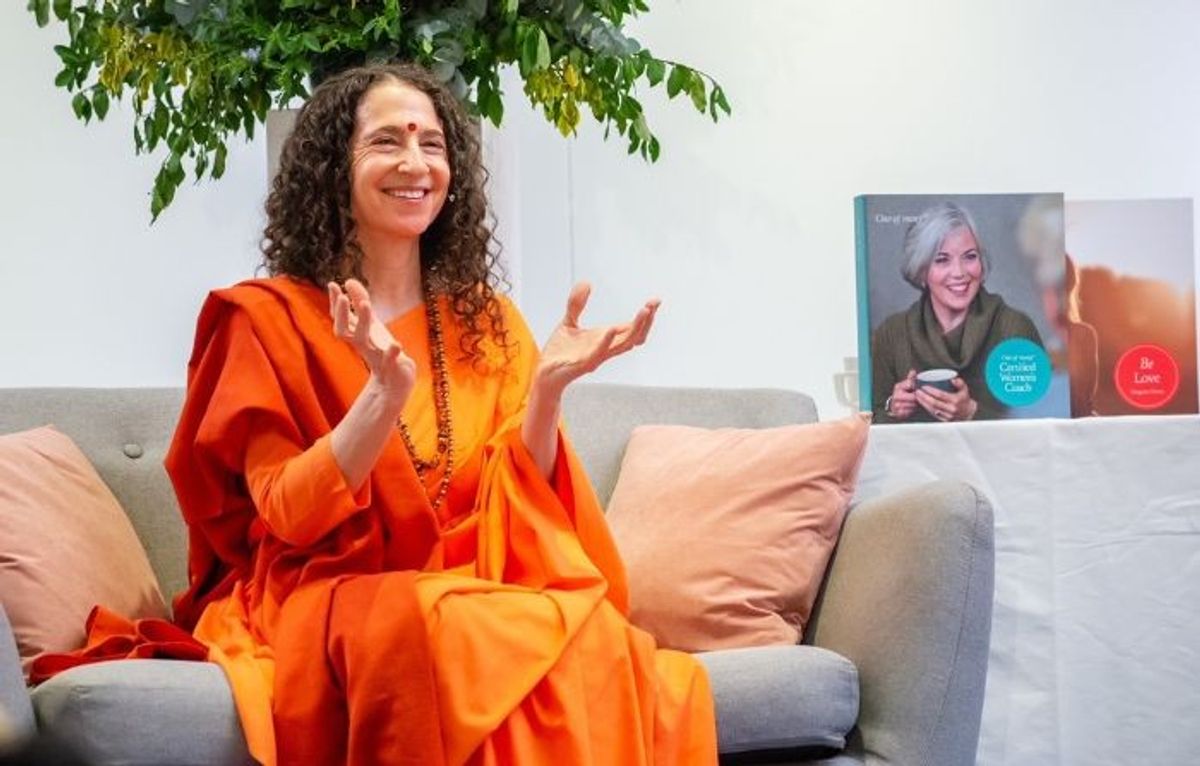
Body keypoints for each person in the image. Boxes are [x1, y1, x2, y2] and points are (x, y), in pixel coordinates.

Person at [161, 63, 716, 765]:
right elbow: (286, 514)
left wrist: (546, 393)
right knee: (462, 629)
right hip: (327, 593)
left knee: (610, 646)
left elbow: (525, 500)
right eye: (386, 142)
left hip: (472, 584)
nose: (414, 163)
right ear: (335, 166)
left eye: (431, 144)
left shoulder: (486, 320)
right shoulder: (265, 321)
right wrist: (380, 398)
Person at [872, 201, 1045, 423]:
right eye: (942, 260)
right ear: (922, 270)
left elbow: (1040, 427)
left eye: (970, 256)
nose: (959, 273)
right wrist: (892, 409)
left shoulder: (1014, 328)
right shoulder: (891, 334)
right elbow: (869, 427)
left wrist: (972, 413)